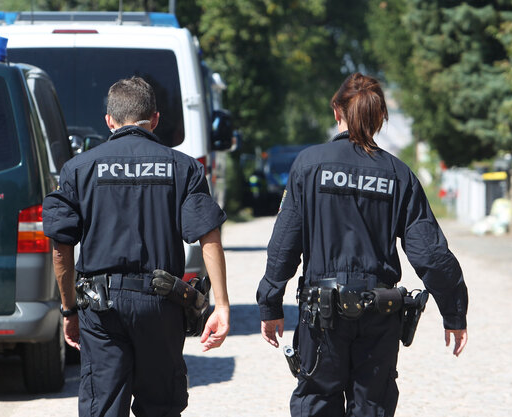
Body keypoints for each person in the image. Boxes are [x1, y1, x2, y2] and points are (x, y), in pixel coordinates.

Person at [256, 72, 469, 417]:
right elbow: (431, 254)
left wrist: (270, 303)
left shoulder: (308, 166)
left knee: (317, 404)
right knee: (372, 407)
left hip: (321, 314)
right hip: (379, 314)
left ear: (336, 110)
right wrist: (454, 311)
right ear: (379, 118)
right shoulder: (399, 175)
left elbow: (284, 244)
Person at [43, 76, 230, 417]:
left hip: (101, 308)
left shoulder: (77, 169)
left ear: (109, 121)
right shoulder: (184, 168)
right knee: (160, 406)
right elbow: (209, 236)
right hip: (161, 305)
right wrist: (222, 305)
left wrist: (69, 308)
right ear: (155, 119)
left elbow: (61, 246)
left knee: (104, 406)